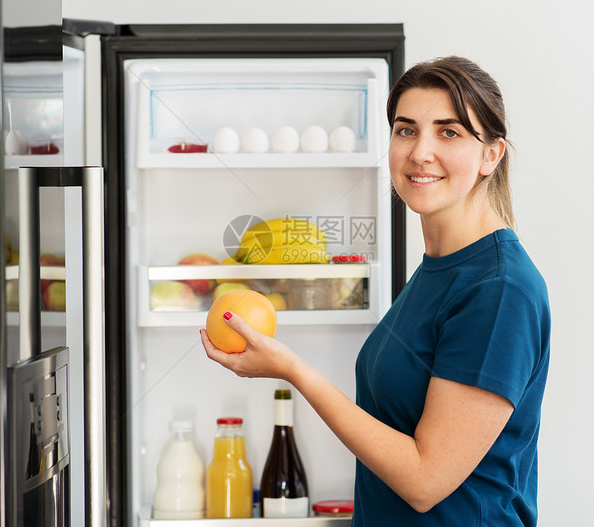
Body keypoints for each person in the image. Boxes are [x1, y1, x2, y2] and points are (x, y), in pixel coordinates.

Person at [200, 56, 551, 526]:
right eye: (406, 130)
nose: (420, 152)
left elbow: (426, 481)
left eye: (449, 132)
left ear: (492, 154)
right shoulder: (437, 271)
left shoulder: (499, 289)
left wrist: (294, 371)